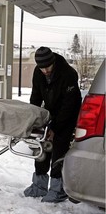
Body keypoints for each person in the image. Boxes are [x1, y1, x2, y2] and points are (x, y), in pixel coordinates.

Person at [24, 46, 81, 203]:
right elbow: (35, 96)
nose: (45, 71)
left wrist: (55, 128)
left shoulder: (68, 74)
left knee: (58, 149)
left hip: (68, 114)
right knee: (42, 147)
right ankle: (39, 185)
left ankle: (58, 189)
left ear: (53, 62)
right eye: (42, 68)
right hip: (48, 112)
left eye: (47, 67)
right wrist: (35, 118)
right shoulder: (38, 72)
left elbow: (68, 106)